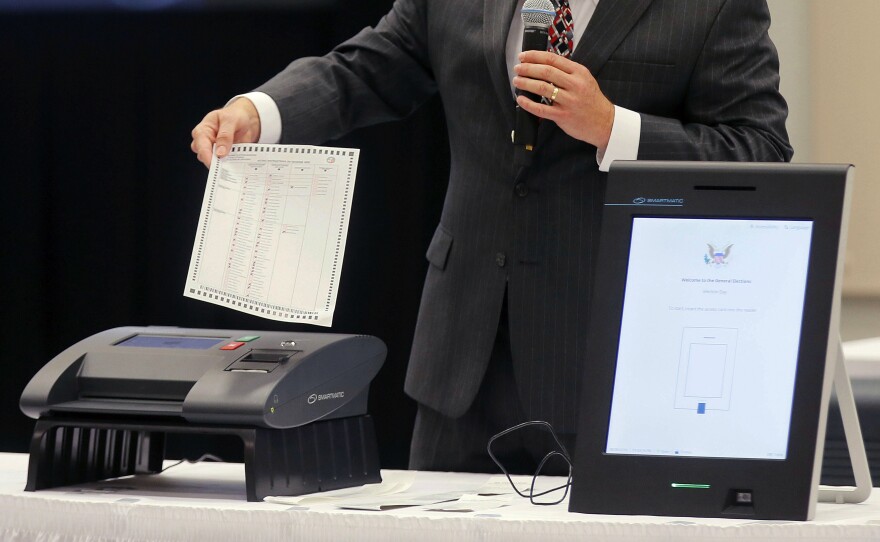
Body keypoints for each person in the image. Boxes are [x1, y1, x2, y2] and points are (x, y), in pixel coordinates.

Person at [191, 0, 793, 474]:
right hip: (462, 361)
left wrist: (614, 127)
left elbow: (760, 151)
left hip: (612, 360)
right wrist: (263, 110)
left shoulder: (715, 4)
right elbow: (369, 66)